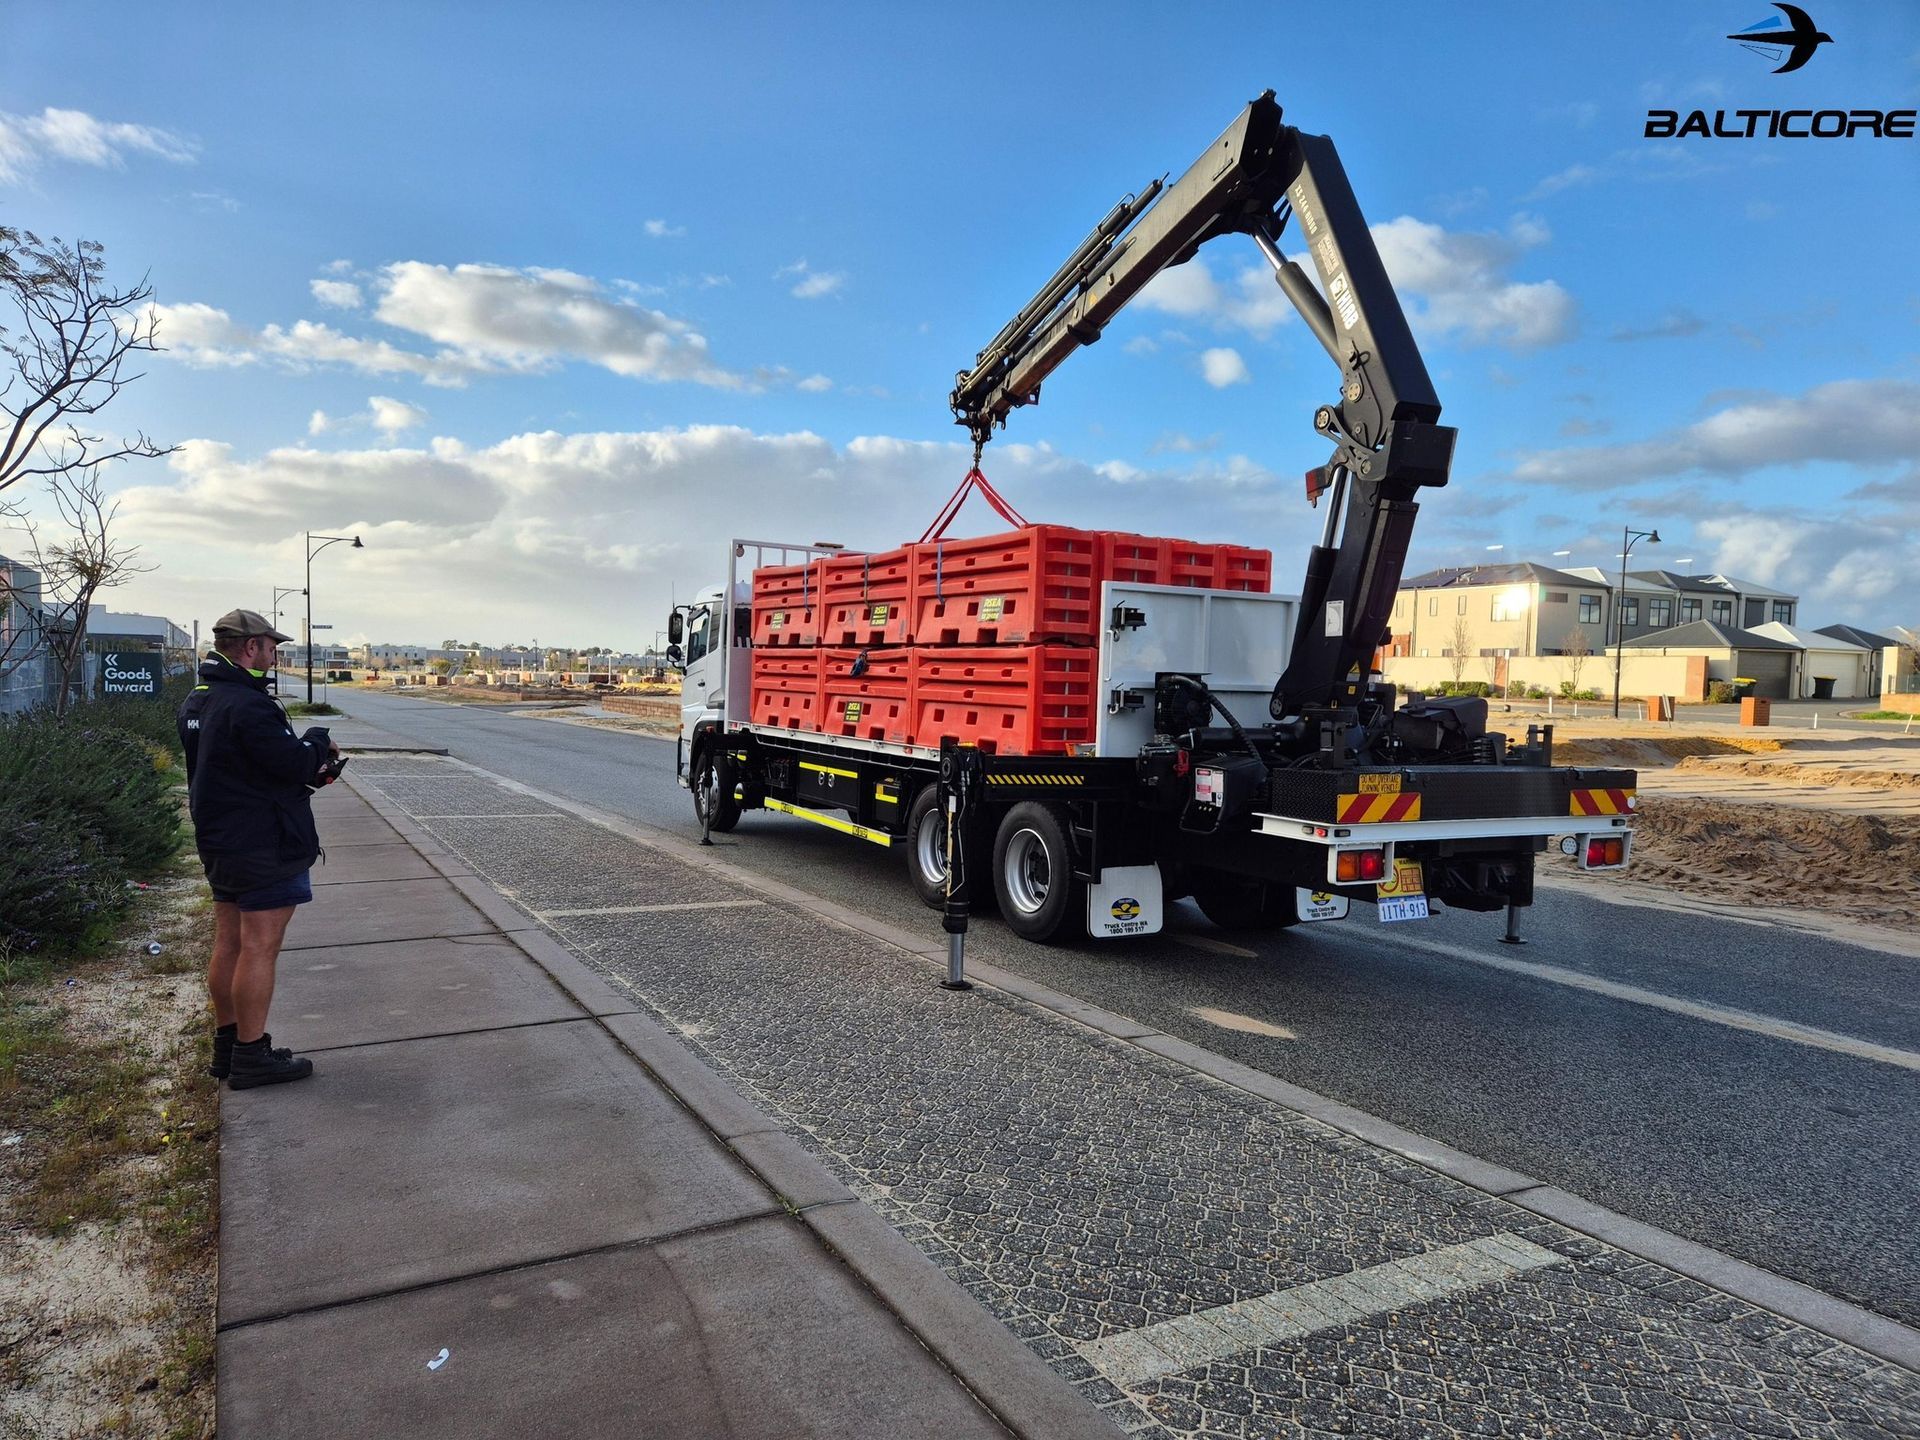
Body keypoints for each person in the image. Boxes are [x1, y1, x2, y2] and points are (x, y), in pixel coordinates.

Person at [178, 609, 340, 1089]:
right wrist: (316, 741)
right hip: (265, 842)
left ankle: (227, 1047)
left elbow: (239, 766)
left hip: (221, 839)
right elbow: (291, 764)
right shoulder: (248, 705)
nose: (274, 656)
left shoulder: (199, 699)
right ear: (250, 647)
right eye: (272, 648)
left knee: (229, 942)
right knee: (260, 947)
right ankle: (252, 1054)